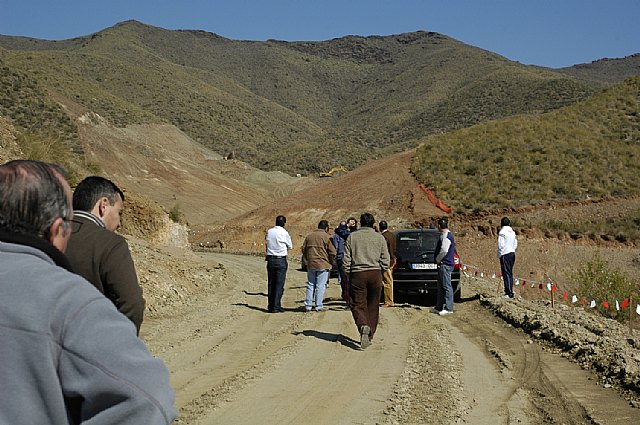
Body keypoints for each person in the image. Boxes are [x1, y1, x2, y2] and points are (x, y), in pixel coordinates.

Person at [0, 160, 177, 424]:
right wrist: (118, 342)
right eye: (119, 213)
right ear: (56, 229)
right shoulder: (75, 297)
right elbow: (147, 399)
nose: (119, 222)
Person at [65, 176, 146, 334]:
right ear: (103, 205)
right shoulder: (111, 244)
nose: (119, 222)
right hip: (91, 342)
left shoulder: (47, 234)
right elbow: (131, 304)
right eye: (119, 212)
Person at [343, 213, 390, 349]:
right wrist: (380, 269)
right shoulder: (379, 237)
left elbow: (346, 259)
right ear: (373, 223)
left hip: (357, 274)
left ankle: (363, 325)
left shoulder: (352, 237)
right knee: (373, 305)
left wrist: (348, 273)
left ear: (360, 223)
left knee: (357, 304)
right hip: (375, 274)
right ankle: (369, 335)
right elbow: (386, 260)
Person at [302, 220, 336, 311]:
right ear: (326, 228)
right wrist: (331, 262)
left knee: (310, 284)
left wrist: (307, 259)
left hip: (311, 264)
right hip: (323, 264)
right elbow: (332, 252)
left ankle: (308, 305)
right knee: (320, 285)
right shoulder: (327, 237)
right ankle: (318, 305)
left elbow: (303, 249)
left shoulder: (309, 236)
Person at [265, 215, 293, 313]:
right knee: (279, 284)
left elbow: (267, 242)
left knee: (271, 283)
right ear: (284, 223)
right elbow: (290, 246)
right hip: (281, 259)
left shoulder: (269, 231)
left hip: (271, 260)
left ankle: (271, 305)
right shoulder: (284, 233)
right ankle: (276, 306)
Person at [433, 218, 456, 315]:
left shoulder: (446, 236)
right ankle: (439, 307)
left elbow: (444, 251)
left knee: (446, 286)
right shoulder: (444, 235)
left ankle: (449, 308)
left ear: (439, 225)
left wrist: (438, 259)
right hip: (444, 264)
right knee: (441, 286)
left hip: (445, 264)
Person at [498, 216, 518, 299]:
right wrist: (512, 249)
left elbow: (500, 245)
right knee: (509, 273)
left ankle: (509, 293)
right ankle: (509, 291)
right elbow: (515, 243)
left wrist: (500, 254)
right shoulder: (512, 232)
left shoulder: (502, 232)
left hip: (505, 254)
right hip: (512, 253)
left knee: (506, 273)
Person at [333, 221, 351, 306]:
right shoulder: (337, 236)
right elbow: (335, 246)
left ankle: (346, 294)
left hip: (347, 257)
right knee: (343, 277)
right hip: (340, 257)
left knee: (345, 278)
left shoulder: (351, 235)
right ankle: (345, 294)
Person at [379, 220, 396, 307]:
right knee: (389, 280)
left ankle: (389, 301)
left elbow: (384, 250)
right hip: (392, 260)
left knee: (387, 281)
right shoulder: (392, 235)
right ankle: (388, 300)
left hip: (386, 261)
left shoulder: (383, 237)